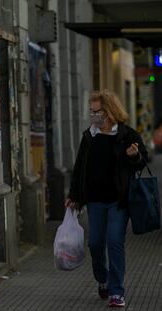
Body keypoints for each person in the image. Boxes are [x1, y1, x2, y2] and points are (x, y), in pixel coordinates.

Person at [65, 90, 147, 308]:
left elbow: (142, 161)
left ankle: (117, 291)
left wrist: (134, 155)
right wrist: (74, 196)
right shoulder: (89, 136)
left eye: (97, 111)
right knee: (95, 244)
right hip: (95, 201)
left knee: (115, 242)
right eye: (91, 111)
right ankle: (103, 279)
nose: (93, 115)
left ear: (109, 111)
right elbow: (80, 168)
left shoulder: (127, 134)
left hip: (118, 201)